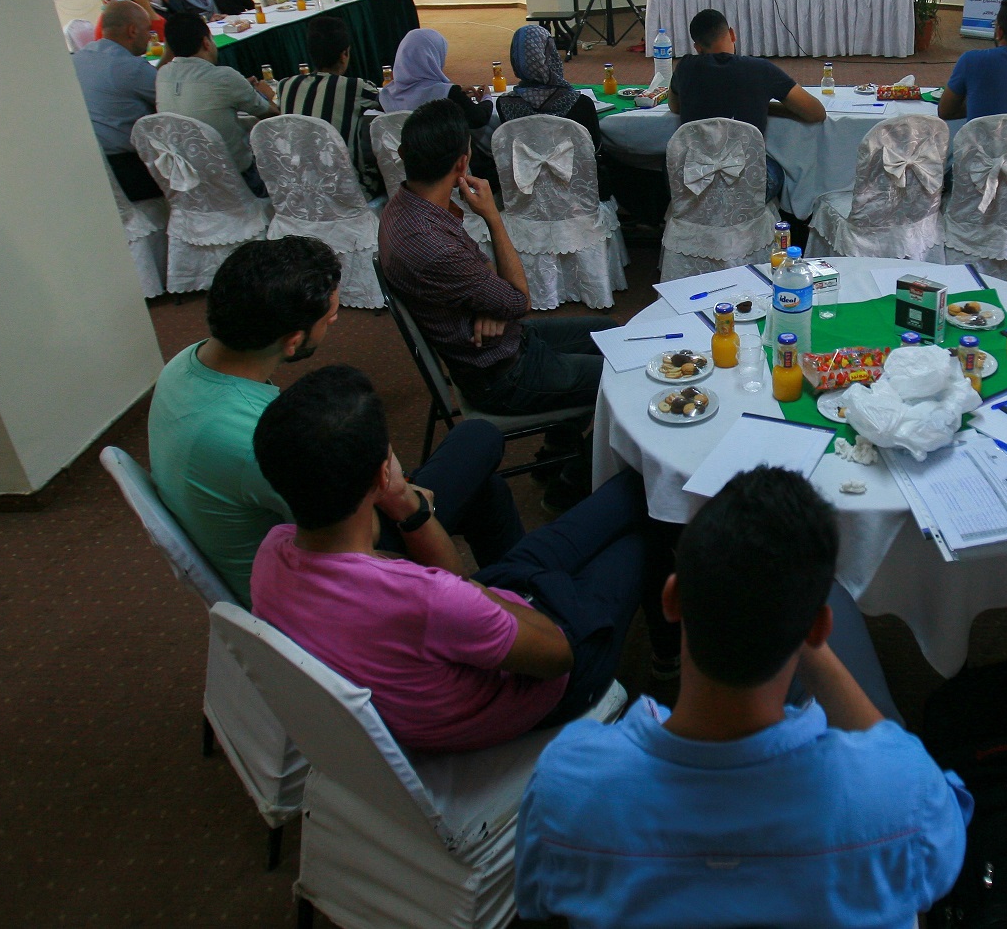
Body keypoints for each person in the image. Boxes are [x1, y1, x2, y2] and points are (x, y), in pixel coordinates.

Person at [515, 467, 969, 927]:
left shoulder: (567, 782)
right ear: (817, 630)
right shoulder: (901, 792)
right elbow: (938, 865)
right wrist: (802, 628)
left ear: (672, 599)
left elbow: (537, 902)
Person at [249, 364, 671, 750]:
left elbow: (453, 591)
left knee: (635, 486)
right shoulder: (428, 599)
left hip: (492, 608)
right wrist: (515, 593)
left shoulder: (273, 551)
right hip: (556, 671)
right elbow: (558, 656)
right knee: (649, 529)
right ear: (381, 475)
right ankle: (668, 659)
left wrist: (408, 505)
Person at [148, 237, 524, 605]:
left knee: (486, 491)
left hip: (285, 532)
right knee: (480, 436)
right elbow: (361, 536)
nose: (335, 320)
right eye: (330, 318)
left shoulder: (187, 362)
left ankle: (520, 593)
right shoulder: (258, 439)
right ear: (293, 341)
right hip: (318, 584)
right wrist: (402, 497)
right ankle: (507, 606)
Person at [378, 99, 616, 420]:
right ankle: (578, 450)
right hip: (503, 375)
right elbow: (519, 300)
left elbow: (484, 275)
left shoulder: (404, 207)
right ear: (462, 165)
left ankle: (563, 443)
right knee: (624, 371)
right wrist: (492, 215)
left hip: (504, 341)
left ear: (403, 154)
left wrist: (492, 304)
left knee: (610, 333)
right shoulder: (433, 244)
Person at [668, 7, 826, 200]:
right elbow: (816, 113)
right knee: (778, 167)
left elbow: (675, 106)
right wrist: (765, 106)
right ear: (732, 34)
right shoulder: (761, 69)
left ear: (698, 48)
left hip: (696, 182)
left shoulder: (684, 67)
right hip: (746, 186)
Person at [154, 10, 277, 189]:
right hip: (237, 180)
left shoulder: (162, 75)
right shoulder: (224, 77)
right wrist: (265, 95)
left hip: (190, 181)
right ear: (206, 42)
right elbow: (273, 117)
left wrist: (241, 87)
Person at [495, 24, 611, 202]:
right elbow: (594, 149)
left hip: (527, 195)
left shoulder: (505, 104)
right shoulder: (580, 103)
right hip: (578, 195)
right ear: (550, 56)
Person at [380, 27, 500, 192]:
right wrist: (486, 97)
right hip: (453, 177)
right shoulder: (446, 93)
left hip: (410, 178)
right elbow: (479, 118)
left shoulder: (386, 94)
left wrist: (458, 94)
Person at [275, 14, 383, 195]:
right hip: (347, 192)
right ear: (344, 54)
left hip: (299, 190)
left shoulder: (285, 85)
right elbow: (388, 103)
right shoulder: (356, 87)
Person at [75, 0, 170, 202]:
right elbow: (170, 99)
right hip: (132, 170)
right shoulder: (130, 67)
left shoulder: (78, 58)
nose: (150, 36)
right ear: (132, 31)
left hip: (93, 169)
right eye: (148, 30)